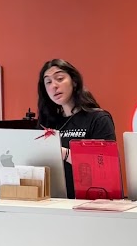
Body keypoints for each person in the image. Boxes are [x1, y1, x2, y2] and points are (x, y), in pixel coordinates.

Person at [37, 59, 116, 197]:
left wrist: (65, 153)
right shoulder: (48, 123)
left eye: (59, 78)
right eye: (48, 82)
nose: (54, 86)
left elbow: (104, 167)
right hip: (53, 200)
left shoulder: (98, 118)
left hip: (91, 200)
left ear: (74, 81)